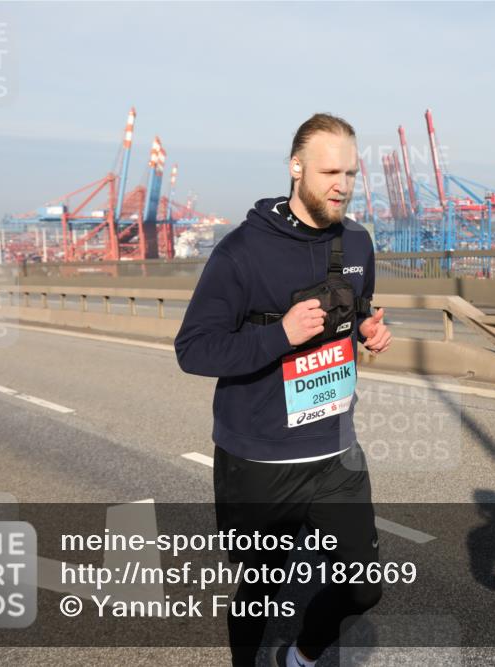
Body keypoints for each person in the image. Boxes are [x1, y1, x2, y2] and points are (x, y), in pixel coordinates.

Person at [175, 113, 391, 667]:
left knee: (365, 588)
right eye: (328, 172)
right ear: (296, 168)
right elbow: (193, 349)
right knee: (259, 596)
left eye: (350, 172)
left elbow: (355, 308)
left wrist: (365, 329)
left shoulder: (359, 243)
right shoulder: (241, 251)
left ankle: (302, 654)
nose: (342, 184)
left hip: (336, 453)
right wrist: (279, 336)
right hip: (259, 458)